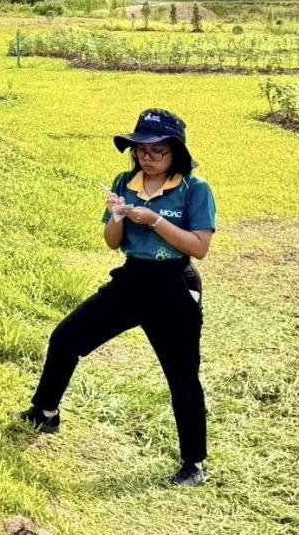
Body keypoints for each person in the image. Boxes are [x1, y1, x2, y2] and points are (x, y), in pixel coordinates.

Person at [18, 108, 216, 488]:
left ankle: (193, 463)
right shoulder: (125, 182)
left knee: (182, 376)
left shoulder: (195, 188)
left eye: (157, 150)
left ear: (176, 151)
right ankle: (45, 412)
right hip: (132, 280)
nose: (147, 157)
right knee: (66, 338)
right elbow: (113, 242)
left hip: (174, 286)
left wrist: (154, 220)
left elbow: (199, 247)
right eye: (141, 149)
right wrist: (118, 216)